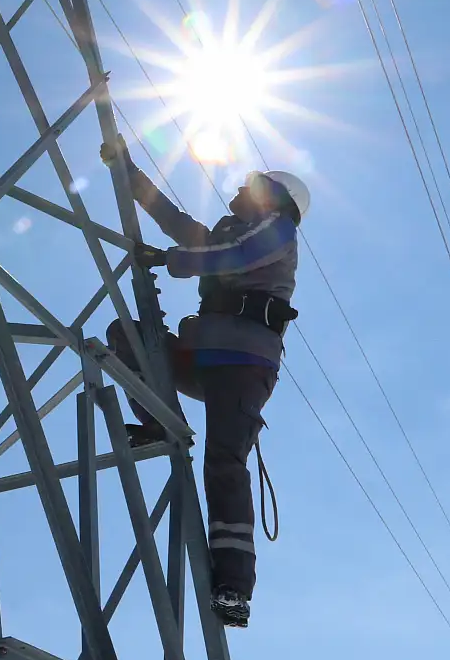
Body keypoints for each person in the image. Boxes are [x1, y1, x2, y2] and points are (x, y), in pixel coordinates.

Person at [100, 139, 309, 628]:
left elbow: (231, 257)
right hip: (207, 353)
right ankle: (154, 421)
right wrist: (128, 174)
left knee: (224, 461)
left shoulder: (276, 231)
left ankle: (234, 589)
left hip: (243, 360)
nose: (240, 186)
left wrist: (170, 260)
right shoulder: (231, 230)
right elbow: (179, 224)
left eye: (253, 184)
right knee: (125, 338)